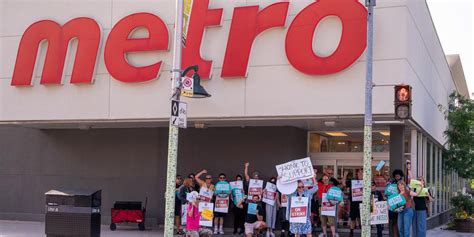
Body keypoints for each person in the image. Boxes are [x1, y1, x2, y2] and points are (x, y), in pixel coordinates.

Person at [342, 169, 364, 237]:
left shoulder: (366, 180)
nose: (360, 173)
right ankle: (351, 232)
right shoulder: (353, 181)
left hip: (363, 203)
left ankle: (363, 232)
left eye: (362, 172)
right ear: (357, 173)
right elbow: (343, 184)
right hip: (353, 202)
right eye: (359, 172)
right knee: (353, 218)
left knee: (361, 218)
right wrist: (345, 175)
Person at [389, 169, 404, 237]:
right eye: (396, 176)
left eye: (398, 176)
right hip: (393, 205)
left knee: (401, 222)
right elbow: (388, 193)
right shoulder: (391, 184)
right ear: (394, 176)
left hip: (402, 205)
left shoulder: (403, 183)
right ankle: (395, 235)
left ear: (401, 176)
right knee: (394, 222)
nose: (397, 177)